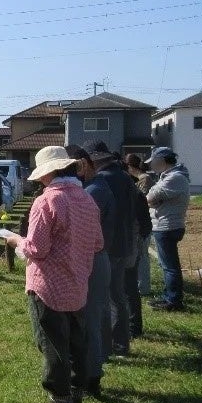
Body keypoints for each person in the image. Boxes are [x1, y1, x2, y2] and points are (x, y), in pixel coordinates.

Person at [5, 146, 103, 403]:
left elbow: (36, 248)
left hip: (48, 285)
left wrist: (15, 240)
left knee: (52, 345)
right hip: (77, 283)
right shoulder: (87, 199)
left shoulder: (47, 201)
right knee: (75, 344)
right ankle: (75, 402)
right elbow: (97, 243)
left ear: (48, 173)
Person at [65, 145, 114, 398]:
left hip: (92, 260)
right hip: (98, 258)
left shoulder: (91, 192)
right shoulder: (95, 188)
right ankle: (93, 371)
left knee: (89, 323)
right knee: (95, 318)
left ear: (83, 164)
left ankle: (90, 379)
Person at [82, 140, 138, 357]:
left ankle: (109, 345)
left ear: (93, 159)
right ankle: (121, 341)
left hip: (108, 245)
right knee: (117, 295)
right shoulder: (124, 176)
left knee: (104, 299)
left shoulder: (102, 181)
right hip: (123, 241)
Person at [145, 147, 190, 311]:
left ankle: (173, 300)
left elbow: (150, 197)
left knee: (170, 266)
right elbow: (151, 196)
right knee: (168, 265)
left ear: (162, 161)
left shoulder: (174, 178)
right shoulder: (168, 176)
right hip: (166, 225)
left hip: (167, 226)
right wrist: (153, 199)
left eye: (153, 162)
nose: (152, 166)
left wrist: (153, 199)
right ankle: (169, 296)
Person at [125, 154, 156, 297]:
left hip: (141, 223)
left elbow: (143, 199)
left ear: (130, 167)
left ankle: (143, 288)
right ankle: (140, 286)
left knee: (142, 256)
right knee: (140, 256)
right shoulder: (140, 179)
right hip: (142, 222)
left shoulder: (144, 179)